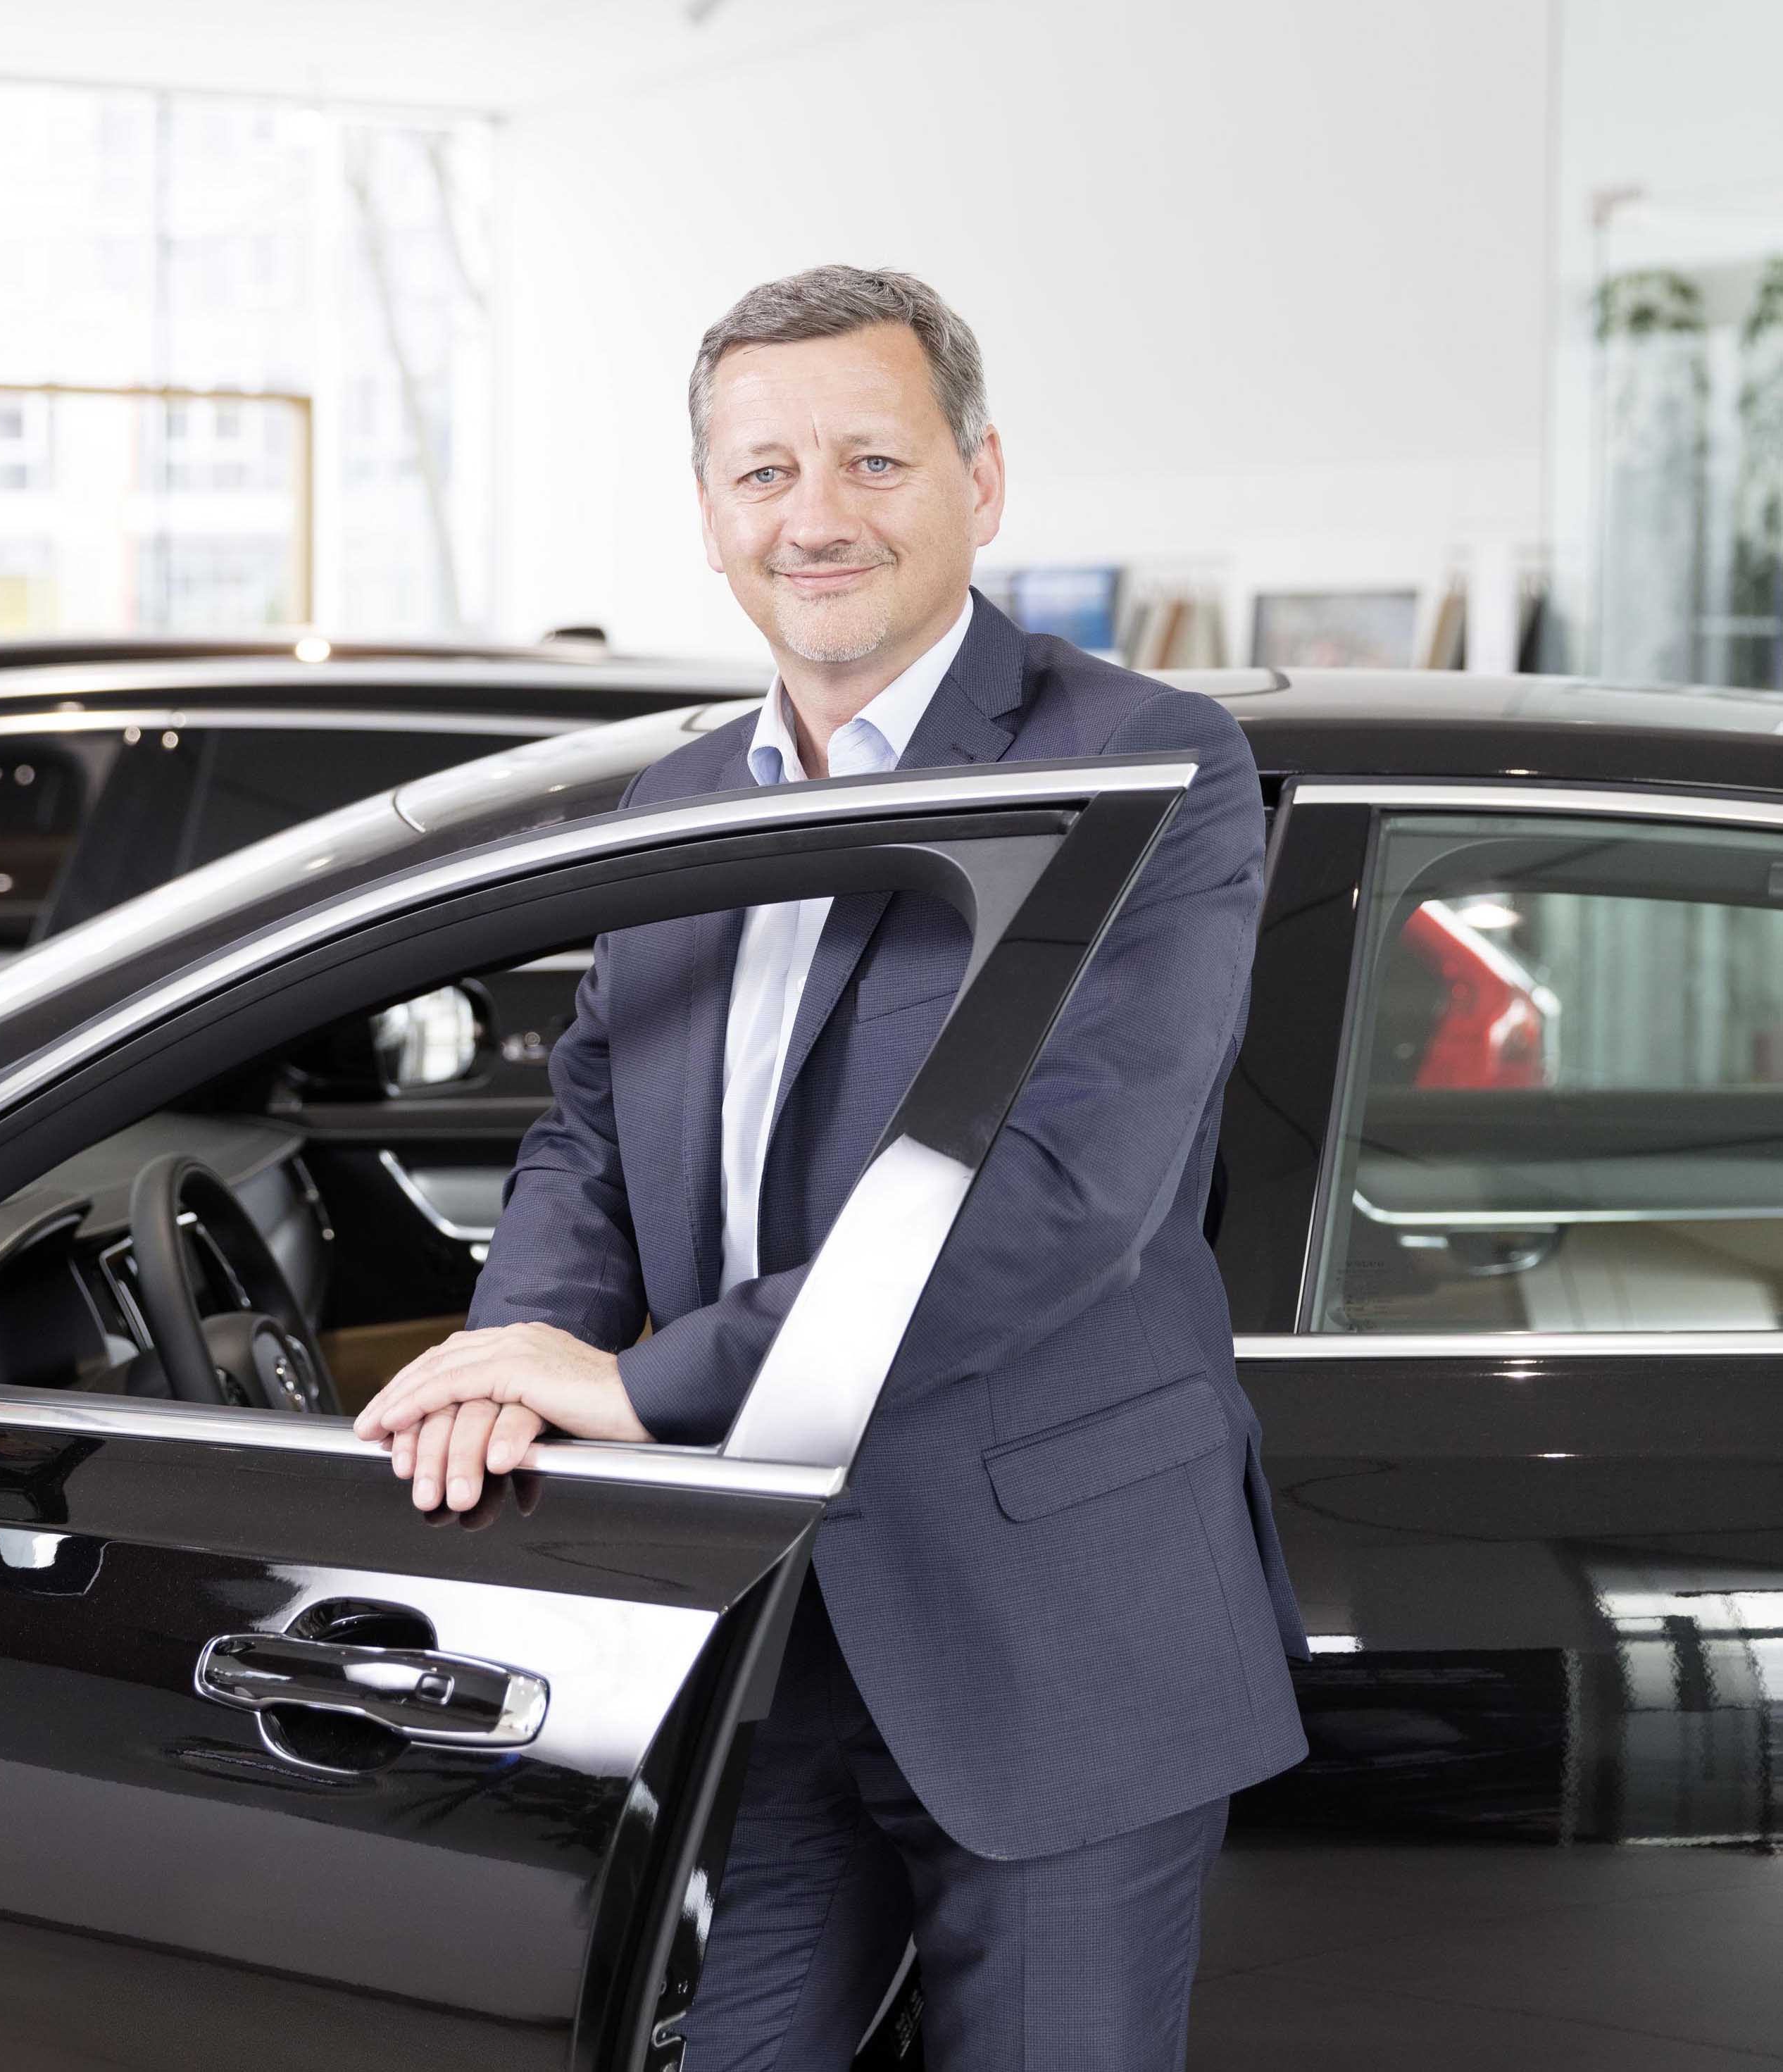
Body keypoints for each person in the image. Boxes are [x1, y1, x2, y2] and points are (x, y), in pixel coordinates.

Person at [354, 264, 1308, 2069]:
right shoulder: (678, 803)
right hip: (760, 1626)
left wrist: (638, 1387)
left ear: (979, 480)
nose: (815, 516)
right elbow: (590, 1129)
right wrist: (512, 1353)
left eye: (872, 459)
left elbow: (1058, 1201)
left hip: (1053, 1631)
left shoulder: (1143, 765)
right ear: (709, 511)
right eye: (764, 471)